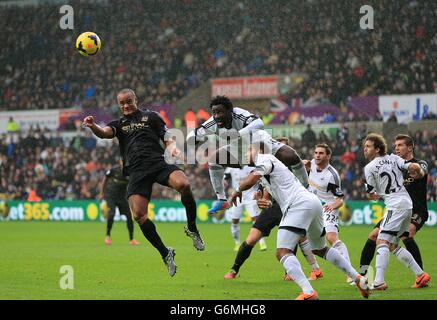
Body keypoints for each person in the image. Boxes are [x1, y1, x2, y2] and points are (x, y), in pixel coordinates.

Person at [229, 133, 370, 300]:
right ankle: (358, 278)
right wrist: (264, 201)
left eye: (249, 150)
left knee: (282, 252)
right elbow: (267, 196)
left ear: (258, 150)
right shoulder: (266, 166)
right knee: (320, 248)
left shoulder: (264, 158)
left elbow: (251, 179)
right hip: (312, 202)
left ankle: (308, 292)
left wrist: (237, 190)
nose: (246, 154)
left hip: (298, 204)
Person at [83, 88, 204, 277]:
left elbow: (166, 135)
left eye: (128, 101)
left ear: (135, 100)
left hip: (157, 163)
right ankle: (166, 254)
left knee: (184, 185)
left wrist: (172, 147)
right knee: (139, 216)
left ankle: (192, 228)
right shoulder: (119, 124)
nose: (125, 105)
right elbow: (105, 133)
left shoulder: (151, 117)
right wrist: (92, 126)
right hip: (136, 171)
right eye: (122, 103)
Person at [187, 95, 309, 215]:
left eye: (220, 112)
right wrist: (193, 141)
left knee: (291, 155)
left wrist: (239, 134)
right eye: (214, 113)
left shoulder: (239, 114)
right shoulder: (212, 123)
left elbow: (259, 123)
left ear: (230, 111)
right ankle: (222, 200)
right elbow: (193, 135)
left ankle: (306, 190)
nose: (217, 116)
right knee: (213, 159)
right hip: (237, 151)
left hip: (260, 146)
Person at [359, 134, 430, 288]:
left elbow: (372, 196)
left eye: (368, 146)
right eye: (395, 145)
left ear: (377, 149)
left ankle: (378, 282)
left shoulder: (370, 168)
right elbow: (411, 167)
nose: (365, 149)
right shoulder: (395, 160)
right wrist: (416, 170)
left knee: (383, 241)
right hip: (405, 205)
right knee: (390, 244)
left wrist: (372, 190)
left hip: (402, 207)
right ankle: (421, 275)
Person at [304, 144, 353, 285]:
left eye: (321, 153)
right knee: (304, 239)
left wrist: (332, 206)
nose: (317, 155)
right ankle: (315, 270)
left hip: (328, 208)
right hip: (313, 208)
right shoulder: (310, 164)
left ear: (328, 156)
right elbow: (295, 163)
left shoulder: (332, 175)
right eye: (315, 152)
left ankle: (350, 273)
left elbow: (340, 200)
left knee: (331, 237)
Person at [224, 166, 267, 251]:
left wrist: (259, 190)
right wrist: (227, 189)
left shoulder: (251, 167)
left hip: (250, 197)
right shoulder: (230, 168)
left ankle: (262, 243)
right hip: (237, 197)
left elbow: (260, 178)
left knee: (256, 220)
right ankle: (237, 243)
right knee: (235, 220)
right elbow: (225, 180)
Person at [98, 160, 139, 246]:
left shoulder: (130, 174)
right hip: (110, 195)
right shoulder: (113, 171)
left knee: (129, 215)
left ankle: (131, 239)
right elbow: (105, 179)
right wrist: (101, 193)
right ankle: (107, 236)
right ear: (120, 163)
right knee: (111, 213)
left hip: (121, 197)